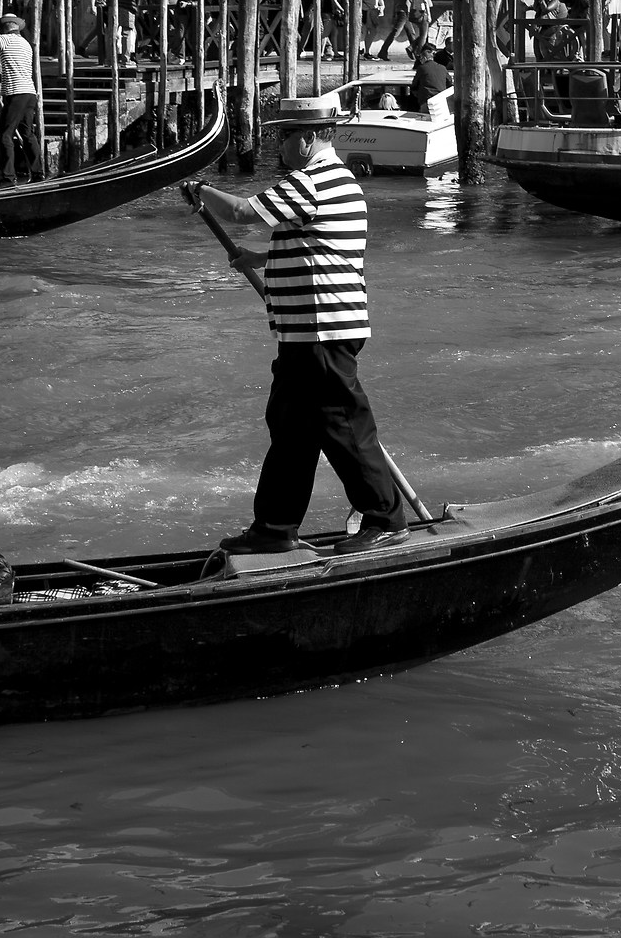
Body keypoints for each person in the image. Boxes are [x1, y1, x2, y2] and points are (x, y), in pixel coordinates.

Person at [193, 93, 404, 553]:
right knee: (290, 428)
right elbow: (318, 245)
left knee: (343, 424)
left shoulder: (314, 179)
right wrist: (262, 256)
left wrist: (200, 188)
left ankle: (384, 521)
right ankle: (274, 527)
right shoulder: (327, 182)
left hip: (323, 330)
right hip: (304, 332)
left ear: (307, 139)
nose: (278, 146)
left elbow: (242, 212)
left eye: (284, 137)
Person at [0, 10, 41, 184]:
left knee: (5, 135)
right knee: (28, 134)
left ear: (6, 28)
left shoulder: (6, 39)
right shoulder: (26, 44)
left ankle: (8, 177)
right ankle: (38, 173)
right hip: (30, 93)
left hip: (17, 94)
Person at [404, 33, 451, 115]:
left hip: (427, 102)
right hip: (441, 101)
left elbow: (414, 85)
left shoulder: (422, 68)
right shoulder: (442, 68)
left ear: (424, 58)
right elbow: (450, 83)